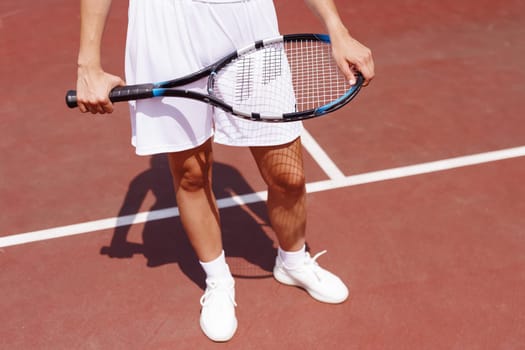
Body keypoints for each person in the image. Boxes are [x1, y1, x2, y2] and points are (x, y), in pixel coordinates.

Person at [75, 0, 374, 342]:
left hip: (245, 20)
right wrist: (88, 65)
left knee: (288, 176)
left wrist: (338, 28)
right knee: (191, 175)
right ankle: (218, 280)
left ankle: (293, 262)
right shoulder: (142, 182)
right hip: (166, 27)